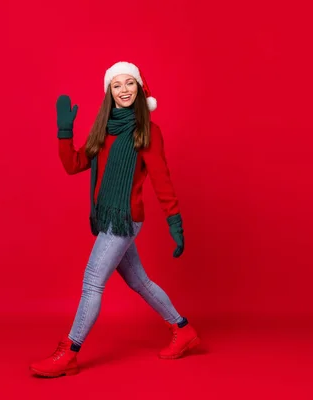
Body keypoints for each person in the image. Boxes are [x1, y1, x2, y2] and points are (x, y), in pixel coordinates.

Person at [29, 61, 200, 378]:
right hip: (108, 219)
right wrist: (64, 132)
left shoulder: (148, 132)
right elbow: (75, 164)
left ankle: (69, 352)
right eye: (117, 84)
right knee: (140, 282)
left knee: (92, 282)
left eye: (129, 83)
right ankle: (183, 329)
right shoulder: (103, 129)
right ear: (110, 91)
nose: (124, 90)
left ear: (139, 89)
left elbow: (162, 180)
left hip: (124, 220)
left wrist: (175, 222)